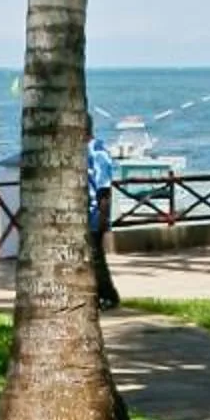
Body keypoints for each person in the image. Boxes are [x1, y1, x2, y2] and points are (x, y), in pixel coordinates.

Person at [86, 126, 120, 311]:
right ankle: (98, 295)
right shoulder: (84, 150)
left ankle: (108, 295)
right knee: (91, 257)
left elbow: (104, 189)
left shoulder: (97, 152)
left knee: (96, 257)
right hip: (85, 212)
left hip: (95, 213)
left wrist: (103, 219)